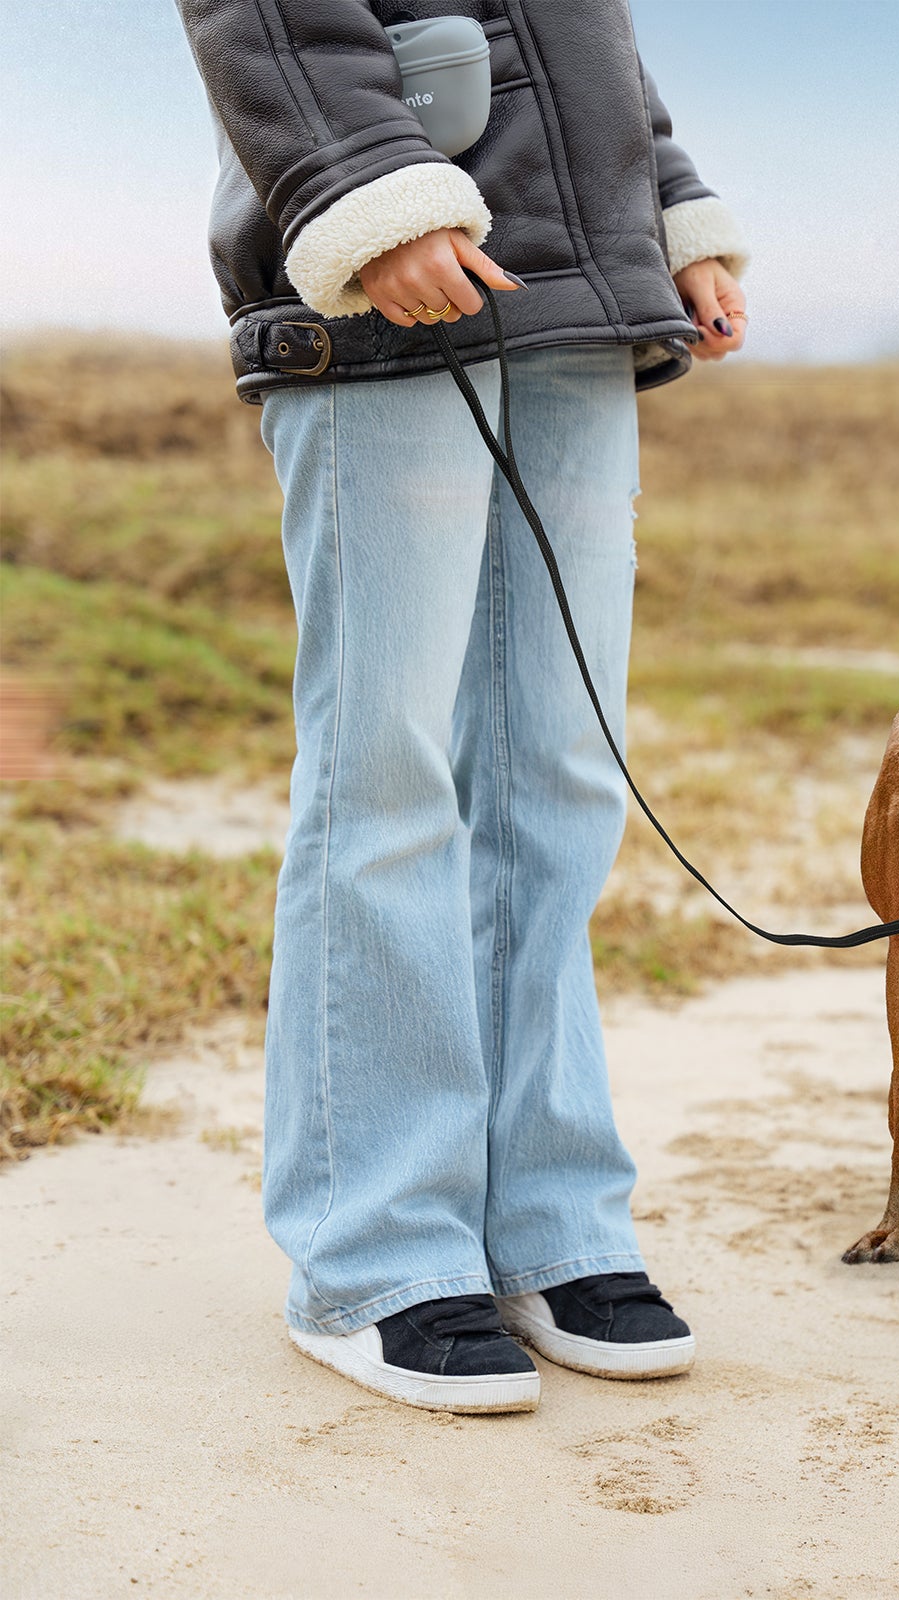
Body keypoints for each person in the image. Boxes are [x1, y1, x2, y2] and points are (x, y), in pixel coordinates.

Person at [177, 0, 748, 1415]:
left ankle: (549, 1218)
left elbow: (580, 40)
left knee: (557, 767)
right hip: (386, 275)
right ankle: (374, 1251)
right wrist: (362, 183)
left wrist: (670, 202)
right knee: (388, 772)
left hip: (577, 294)